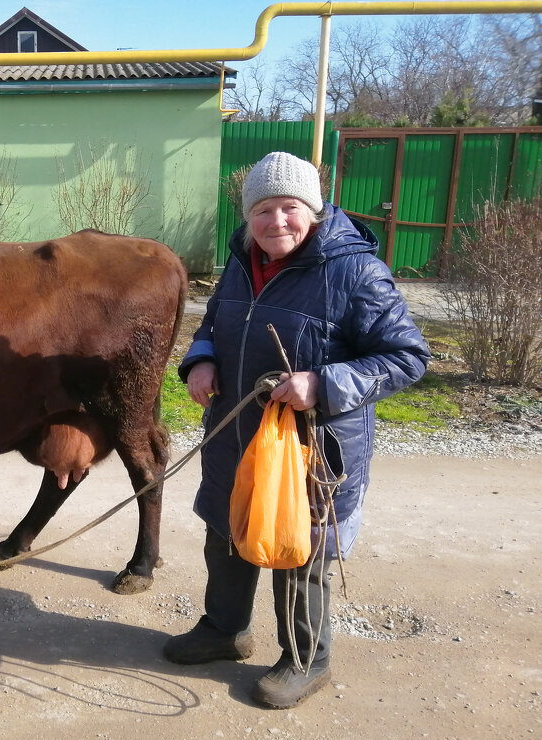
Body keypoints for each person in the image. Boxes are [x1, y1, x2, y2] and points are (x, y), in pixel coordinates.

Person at [165, 151, 431, 708]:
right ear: (247, 215)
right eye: (264, 209)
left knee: (298, 548)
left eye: (289, 208)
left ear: (311, 209)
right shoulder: (241, 261)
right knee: (229, 532)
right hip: (235, 436)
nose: (276, 222)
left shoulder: (354, 271)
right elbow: (212, 321)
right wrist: (202, 359)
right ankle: (225, 631)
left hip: (314, 447)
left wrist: (325, 383)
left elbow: (407, 356)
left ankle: (308, 661)